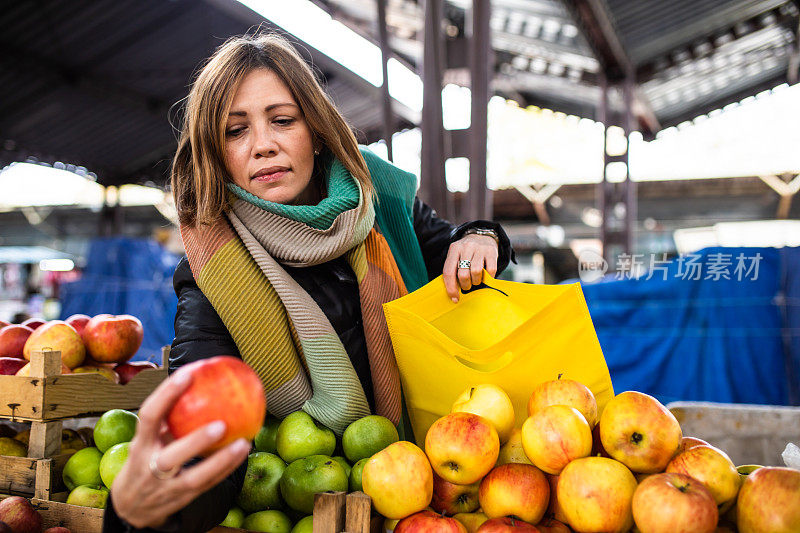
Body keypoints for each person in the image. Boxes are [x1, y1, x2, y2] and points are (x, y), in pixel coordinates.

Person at [104, 32, 514, 532]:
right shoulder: (214, 272)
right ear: (217, 153)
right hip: (309, 507)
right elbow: (208, 430)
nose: (262, 145)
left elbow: (452, 243)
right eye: (236, 132)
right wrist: (154, 504)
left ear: (316, 130)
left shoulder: (378, 203)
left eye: (282, 120)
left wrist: (481, 237)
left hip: (438, 484)